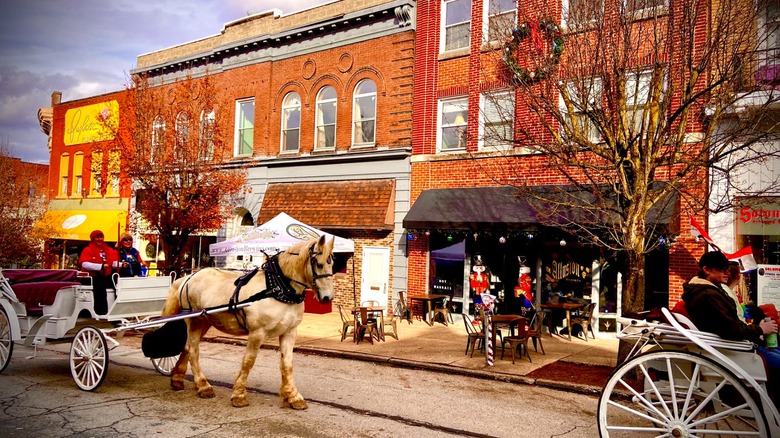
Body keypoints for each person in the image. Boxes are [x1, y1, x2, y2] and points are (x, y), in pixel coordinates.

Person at [682, 251, 780, 394]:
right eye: (722, 269)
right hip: (734, 349)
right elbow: (730, 328)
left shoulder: (710, 291)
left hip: (736, 344)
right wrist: (760, 330)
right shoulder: (708, 295)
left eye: (727, 269)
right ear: (707, 270)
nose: (727, 272)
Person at [78, 230, 119, 315]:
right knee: (99, 285)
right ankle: (100, 312)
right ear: (93, 238)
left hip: (105, 276)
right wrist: (100, 267)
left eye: (101, 237)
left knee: (117, 284)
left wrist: (123, 265)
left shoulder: (108, 250)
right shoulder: (88, 249)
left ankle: (116, 309)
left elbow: (113, 263)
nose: (100, 239)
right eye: (97, 237)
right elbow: (84, 264)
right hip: (92, 277)